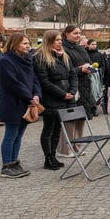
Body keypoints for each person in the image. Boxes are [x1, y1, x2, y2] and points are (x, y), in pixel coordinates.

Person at [0, 33, 41, 178]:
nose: (28, 46)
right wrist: (29, 97)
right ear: (15, 44)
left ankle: (14, 162)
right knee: (11, 135)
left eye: (28, 43)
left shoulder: (27, 59)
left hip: (27, 103)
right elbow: (12, 83)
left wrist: (36, 94)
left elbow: (34, 79)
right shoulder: (5, 61)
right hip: (13, 103)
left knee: (19, 136)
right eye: (24, 43)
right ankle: (7, 166)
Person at [34, 30, 78, 170]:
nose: (60, 42)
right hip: (51, 97)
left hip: (65, 97)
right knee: (48, 128)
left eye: (60, 40)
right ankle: (48, 158)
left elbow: (73, 75)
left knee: (57, 129)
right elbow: (44, 81)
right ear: (49, 41)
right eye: (57, 40)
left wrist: (72, 91)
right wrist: (62, 94)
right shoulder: (41, 57)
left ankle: (53, 156)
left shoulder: (64, 56)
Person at [58, 26, 95, 157]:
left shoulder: (80, 48)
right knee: (70, 118)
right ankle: (65, 148)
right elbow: (63, 70)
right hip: (71, 86)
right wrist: (80, 69)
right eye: (75, 33)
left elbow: (89, 62)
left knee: (81, 117)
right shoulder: (62, 49)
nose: (78, 35)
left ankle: (77, 146)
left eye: (79, 33)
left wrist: (89, 67)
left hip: (84, 85)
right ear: (66, 34)